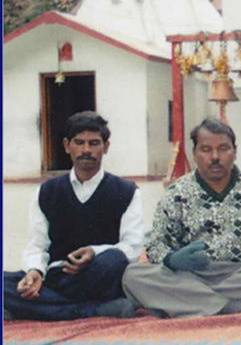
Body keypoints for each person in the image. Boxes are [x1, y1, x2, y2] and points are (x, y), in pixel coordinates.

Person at [122, 118, 241, 318]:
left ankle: (194, 304)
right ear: (194, 153)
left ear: (234, 151)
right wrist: (171, 259)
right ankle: (225, 307)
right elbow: (156, 244)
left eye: (223, 149)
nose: (215, 157)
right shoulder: (177, 192)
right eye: (206, 150)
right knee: (133, 276)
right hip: (191, 276)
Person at [3, 111, 142, 320]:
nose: (86, 150)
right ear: (67, 145)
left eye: (94, 143)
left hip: (98, 275)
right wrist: (35, 273)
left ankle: (31, 307)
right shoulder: (47, 191)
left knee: (114, 259)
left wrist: (94, 253)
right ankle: (93, 310)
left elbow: (132, 247)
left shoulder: (126, 191)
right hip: (57, 277)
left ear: (106, 147)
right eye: (79, 142)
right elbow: (37, 245)